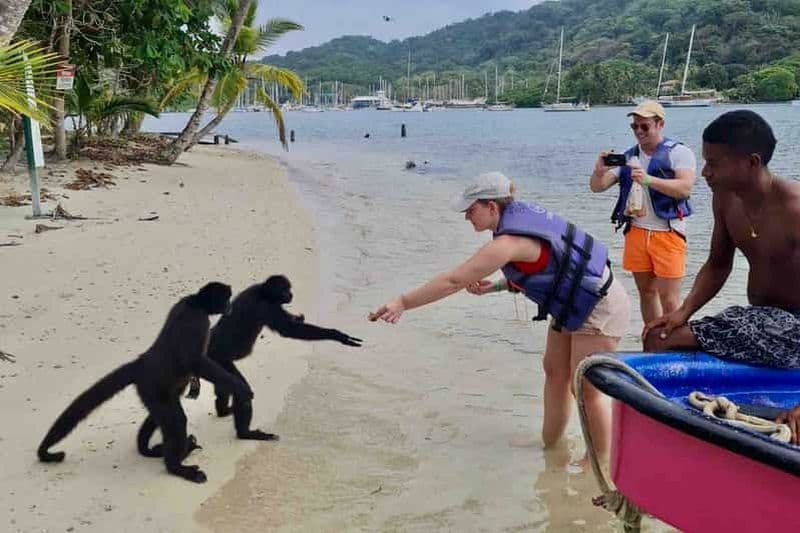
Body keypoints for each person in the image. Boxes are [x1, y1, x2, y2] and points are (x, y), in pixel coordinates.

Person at [368, 172, 631, 460]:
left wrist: (403, 302)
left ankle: (597, 465)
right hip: (573, 302)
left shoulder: (508, 243)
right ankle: (551, 448)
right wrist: (496, 286)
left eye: (471, 210)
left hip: (600, 306)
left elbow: (454, 281)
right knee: (554, 371)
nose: (467, 217)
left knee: (584, 389)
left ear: (492, 207)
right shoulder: (516, 228)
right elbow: (552, 269)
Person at [589, 100, 697, 324]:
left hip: (667, 232)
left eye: (644, 126)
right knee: (646, 293)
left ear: (660, 124)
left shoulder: (679, 153)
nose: (638, 131)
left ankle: (673, 343)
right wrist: (599, 172)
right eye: (634, 126)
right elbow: (597, 187)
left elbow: (684, 188)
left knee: (670, 298)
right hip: (637, 231)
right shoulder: (629, 157)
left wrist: (648, 179)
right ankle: (652, 339)